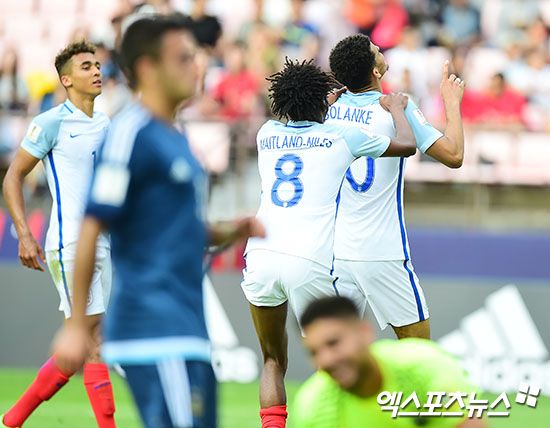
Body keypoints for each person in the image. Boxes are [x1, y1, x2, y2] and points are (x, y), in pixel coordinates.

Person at [52, 15, 263, 428]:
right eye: (182, 58)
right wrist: (77, 325)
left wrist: (232, 230)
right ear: (148, 68)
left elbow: (184, 230)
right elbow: (93, 223)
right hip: (154, 327)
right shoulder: (130, 133)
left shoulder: (174, 137)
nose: (196, 66)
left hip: (186, 325)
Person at [241, 58, 417, 428]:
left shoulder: (265, 134)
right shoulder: (340, 136)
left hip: (260, 256)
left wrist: (323, 102)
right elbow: (406, 145)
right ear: (322, 100)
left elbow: (300, 124)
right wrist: (398, 110)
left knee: (272, 360)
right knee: (332, 360)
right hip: (309, 260)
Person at [1, 41, 115, 428]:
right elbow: (13, 176)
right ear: (66, 80)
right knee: (94, 342)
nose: (96, 71)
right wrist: (23, 233)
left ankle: (13, 418)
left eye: (97, 65)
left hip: (103, 244)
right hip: (69, 244)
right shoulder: (51, 122)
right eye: (86, 66)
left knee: (82, 344)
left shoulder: (106, 124)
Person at [327, 34, 466, 340]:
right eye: (377, 50)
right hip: (382, 252)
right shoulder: (396, 107)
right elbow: (454, 155)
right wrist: (451, 102)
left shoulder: (328, 108)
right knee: (419, 352)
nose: (381, 50)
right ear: (375, 71)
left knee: (337, 357)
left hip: (334, 253)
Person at [294, 296, 488, 428]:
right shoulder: (312, 407)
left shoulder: (424, 366)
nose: (326, 360)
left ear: (364, 332)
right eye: (314, 352)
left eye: (334, 343)